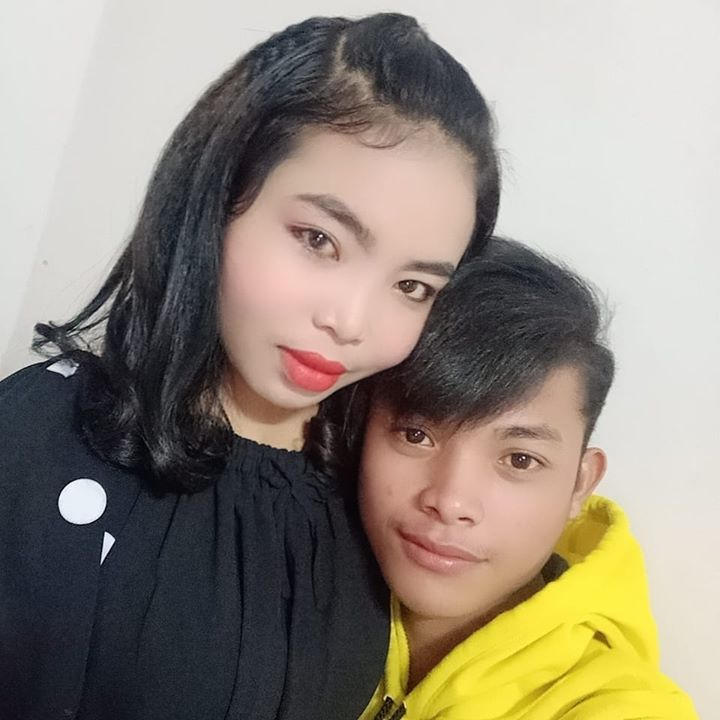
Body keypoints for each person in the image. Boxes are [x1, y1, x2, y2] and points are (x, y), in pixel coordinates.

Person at [0, 13, 500, 720]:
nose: (351, 321)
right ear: (216, 199)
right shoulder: (40, 441)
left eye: (413, 286)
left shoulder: (372, 488)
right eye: (318, 240)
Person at [358, 238, 698, 719]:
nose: (451, 500)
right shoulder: (288, 593)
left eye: (519, 460)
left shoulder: (618, 706)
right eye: (417, 435)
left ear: (580, 485)